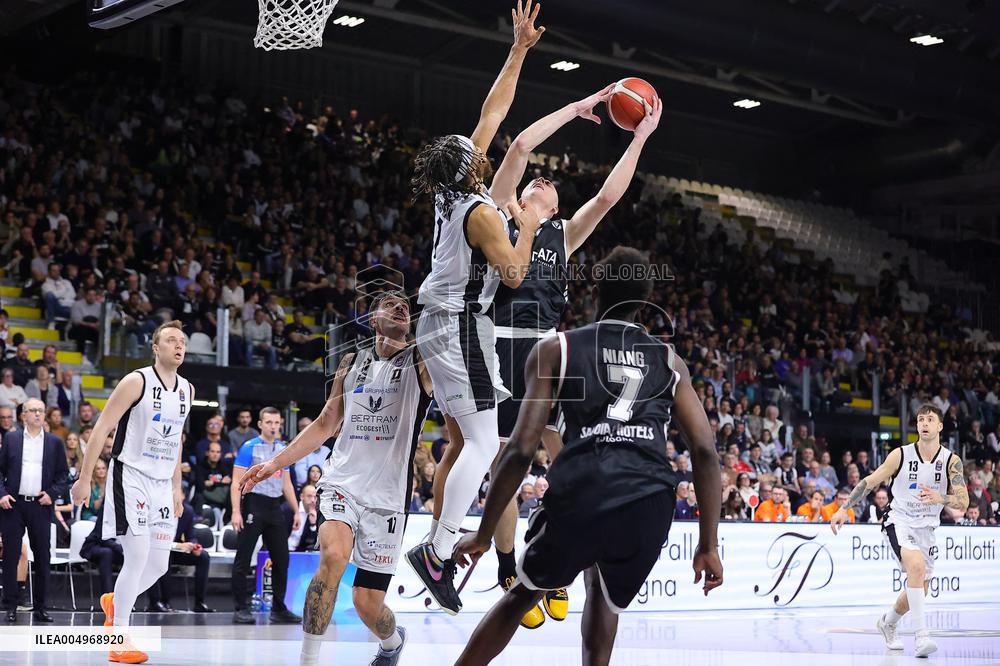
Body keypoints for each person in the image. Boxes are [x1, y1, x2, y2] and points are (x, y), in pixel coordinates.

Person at [429, 82, 663, 628]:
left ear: (556, 205)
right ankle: (510, 567)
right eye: (537, 180)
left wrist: (640, 139)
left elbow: (607, 197)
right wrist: (579, 109)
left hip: (552, 351)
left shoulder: (564, 233)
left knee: (567, 456)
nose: (541, 180)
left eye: (550, 185)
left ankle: (552, 560)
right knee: (497, 457)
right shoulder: (504, 215)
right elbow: (516, 152)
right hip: (502, 345)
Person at [451, 246, 723, 665]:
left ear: (595, 290)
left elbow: (522, 449)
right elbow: (704, 451)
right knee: (604, 594)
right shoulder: (669, 361)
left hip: (586, 490)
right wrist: (708, 543)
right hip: (649, 501)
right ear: (645, 300)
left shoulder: (556, 349)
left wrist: (485, 534)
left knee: (524, 593)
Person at [405, 0, 545, 616]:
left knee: (469, 441)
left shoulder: (449, 188)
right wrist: (531, 223)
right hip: (461, 327)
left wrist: (517, 50)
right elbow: (514, 274)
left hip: (444, 322)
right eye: (480, 150)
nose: (485, 145)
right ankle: (434, 551)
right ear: (475, 168)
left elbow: (492, 112)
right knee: (487, 447)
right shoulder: (485, 212)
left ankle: (438, 550)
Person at [239, 290, 433, 666]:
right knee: (332, 557)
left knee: (366, 602)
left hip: (388, 498)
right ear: (373, 320)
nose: (400, 307)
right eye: (390, 304)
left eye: (405, 306)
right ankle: (308, 660)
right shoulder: (352, 361)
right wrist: (274, 463)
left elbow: (445, 335)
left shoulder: (419, 360)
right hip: (341, 483)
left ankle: (392, 642)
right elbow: (327, 423)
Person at [70, 320, 192, 664]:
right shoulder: (136, 381)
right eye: (171, 340)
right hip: (131, 475)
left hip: (162, 483)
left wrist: (176, 486)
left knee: (158, 565)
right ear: (156, 347)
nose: (178, 346)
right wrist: (82, 478)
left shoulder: (188, 389)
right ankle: (118, 637)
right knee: (136, 557)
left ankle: (113, 601)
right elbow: (100, 430)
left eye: (182, 341)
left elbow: (177, 438)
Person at [830, 404, 968, 658]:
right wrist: (843, 508)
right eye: (920, 419)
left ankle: (888, 622)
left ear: (939, 426)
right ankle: (922, 636)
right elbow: (870, 481)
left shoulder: (951, 460)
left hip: (927, 527)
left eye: (930, 419)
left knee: (921, 588)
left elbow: (963, 502)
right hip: (899, 520)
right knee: (915, 566)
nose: (924, 423)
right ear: (917, 426)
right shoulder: (901, 455)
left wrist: (941, 498)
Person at [229, 407, 302, 625]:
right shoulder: (249, 447)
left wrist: (297, 510)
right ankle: (241, 607)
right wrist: (235, 511)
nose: (273, 426)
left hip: (274, 506)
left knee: (282, 558)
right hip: (253, 503)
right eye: (269, 422)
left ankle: (278, 608)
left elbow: (287, 483)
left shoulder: (283, 449)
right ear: (260, 424)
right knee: (243, 557)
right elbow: (236, 482)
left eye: (277, 423)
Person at [0, 398, 68, 623]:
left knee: (42, 556)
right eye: (33, 411)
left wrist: (52, 493)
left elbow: (63, 477)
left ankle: (41, 607)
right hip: (14, 504)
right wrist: (1, 493)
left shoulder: (54, 443)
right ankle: (10, 605)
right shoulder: (10, 439)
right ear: (23, 415)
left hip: (41, 504)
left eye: (41, 410)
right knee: (10, 556)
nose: (37, 414)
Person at [144, 501, 213, 613]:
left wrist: (194, 546)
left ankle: (199, 603)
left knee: (204, 556)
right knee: (166, 555)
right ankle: (161, 602)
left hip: (176, 549)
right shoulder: (157, 509)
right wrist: (178, 545)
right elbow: (154, 538)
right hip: (156, 548)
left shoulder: (187, 511)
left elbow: (191, 535)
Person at [80, 502, 125, 595]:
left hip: (116, 548)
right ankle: (108, 597)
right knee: (106, 553)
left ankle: (127, 598)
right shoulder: (106, 509)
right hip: (95, 545)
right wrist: (119, 548)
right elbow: (100, 536)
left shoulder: (132, 511)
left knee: (133, 558)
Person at [287, 483, 319, 552]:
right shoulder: (289, 509)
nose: (313, 500)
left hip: (299, 553)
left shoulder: (317, 514)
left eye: (315, 497)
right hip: (281, 550)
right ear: (302, 497)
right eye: (309, 496)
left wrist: (313, 524)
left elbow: (314, 544)